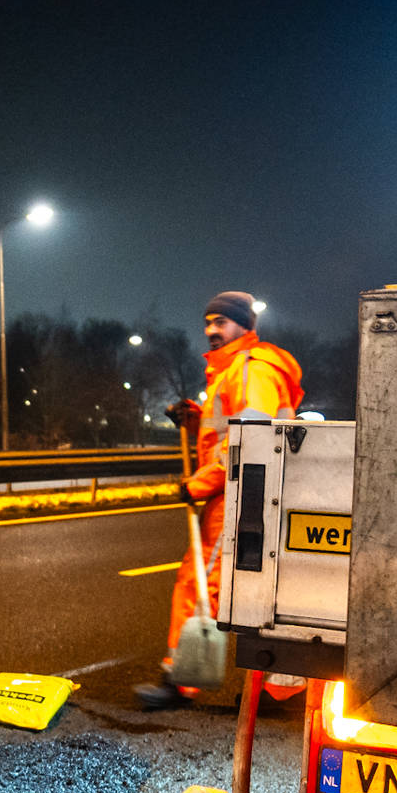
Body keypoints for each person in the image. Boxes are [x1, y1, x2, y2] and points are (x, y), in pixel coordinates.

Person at [136, 291, 303, 710]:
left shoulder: (249, 369)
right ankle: (280, 689)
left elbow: (251, 440)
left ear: (244, 325)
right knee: (267, 589)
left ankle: (182, 680)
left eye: (221, 322)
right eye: (208, 322)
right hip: (254, 493)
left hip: (238, 496)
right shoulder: (234, 371)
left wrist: (200, 484)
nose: (211, 330)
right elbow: (226, 432)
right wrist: (194, 419)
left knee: (198, 584)